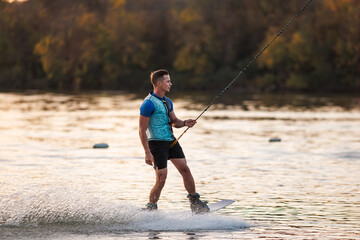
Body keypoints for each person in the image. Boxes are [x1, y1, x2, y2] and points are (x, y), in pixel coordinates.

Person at [139, 69, 209, 214]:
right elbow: (141, 130)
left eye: (170, 81)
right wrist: (147, 152)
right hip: (156, 144)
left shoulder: (167, 101)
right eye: (167, 81)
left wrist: (185, 122)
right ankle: (151, 207)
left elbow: (174, 122)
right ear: (159, 84)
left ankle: (194, 201)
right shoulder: (148, 104)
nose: (171, 84)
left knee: (185, 169)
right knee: (161, 179)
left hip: (171, 141)